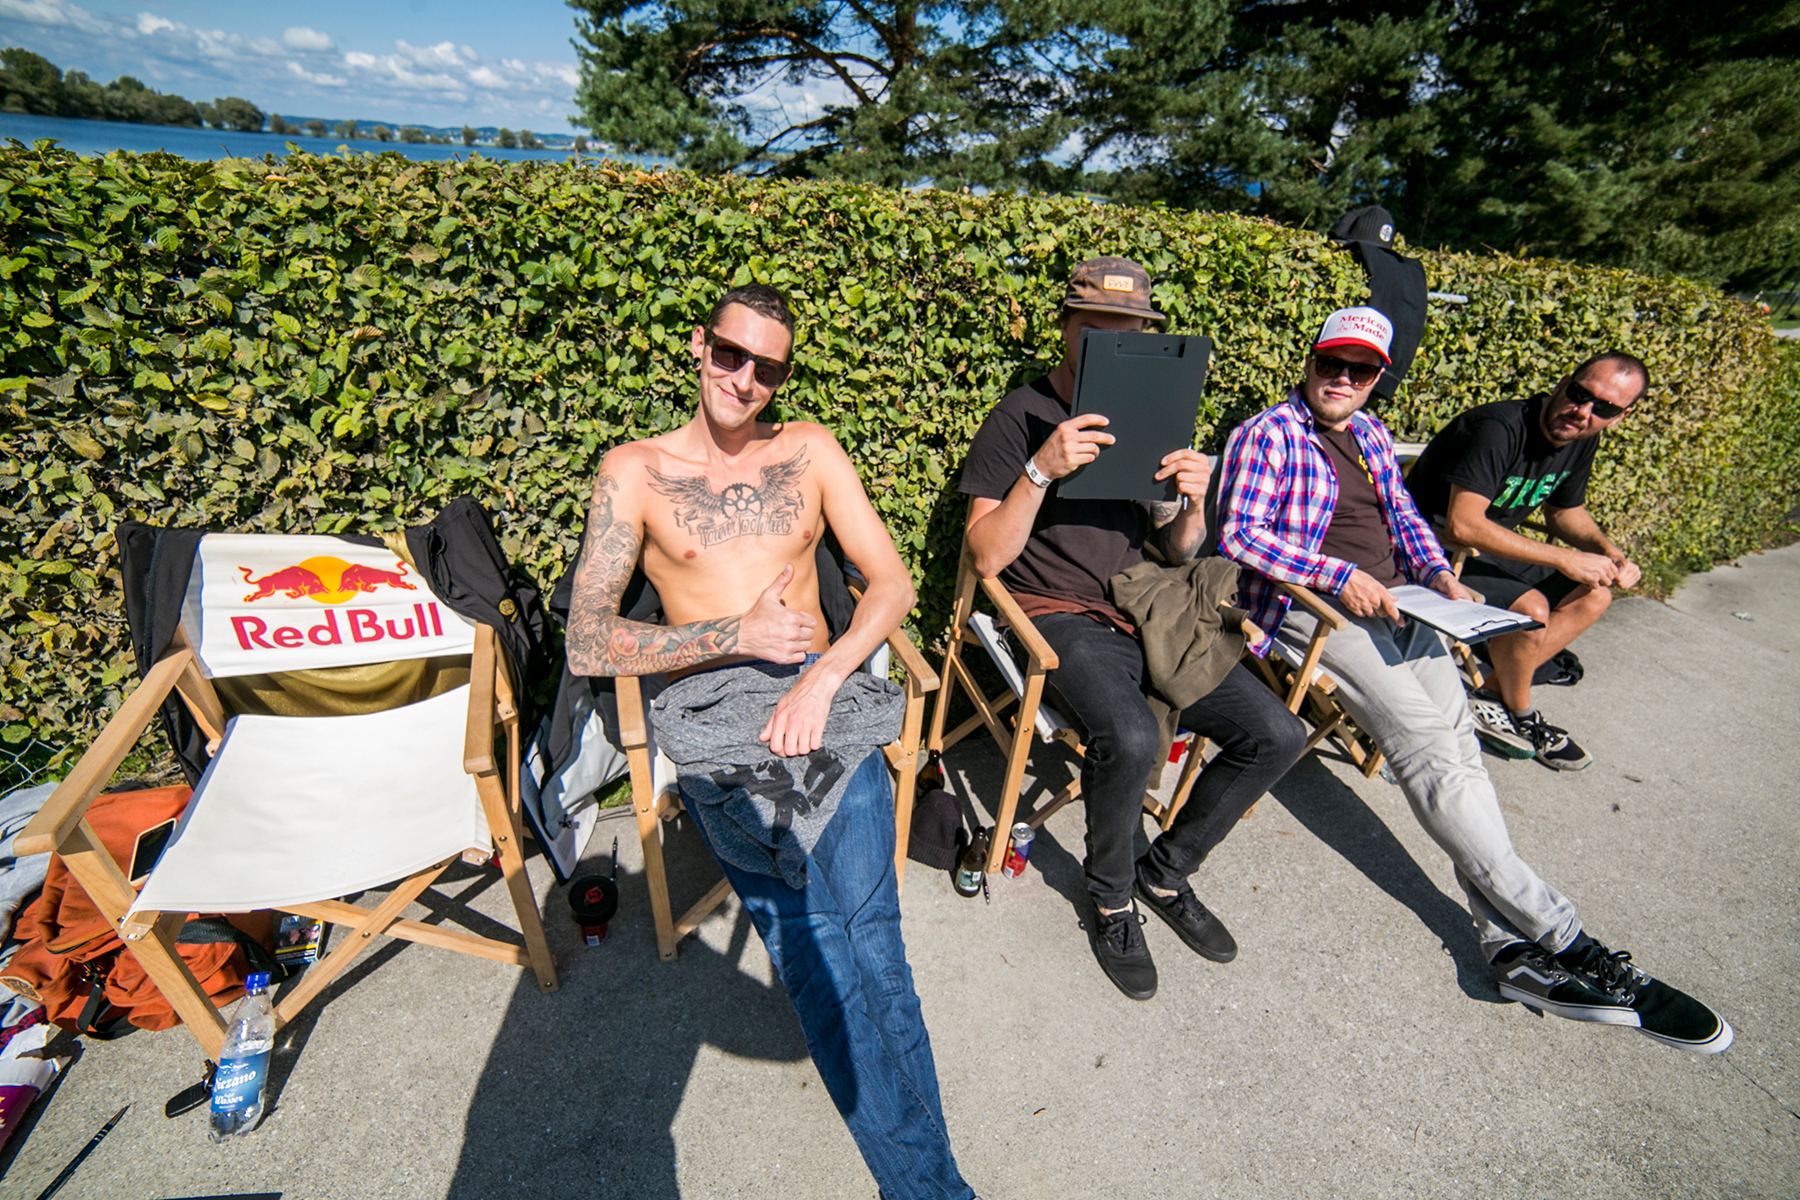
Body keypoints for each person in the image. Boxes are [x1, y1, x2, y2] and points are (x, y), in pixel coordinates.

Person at [1215, 306, 1731, 1054]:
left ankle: (1504, 944)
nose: (1343, 379)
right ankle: (1563, 934)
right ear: (1311, 360)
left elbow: (1407, 517)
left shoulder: (1369, 434)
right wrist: (1342, 576)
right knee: (1426, 747)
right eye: (1333, 363)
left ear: (1376, 380)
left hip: (1406, 601)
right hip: (1316, 608)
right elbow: (1240, 533)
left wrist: (1439, 579)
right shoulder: (1269, 433)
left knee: (1460, 745)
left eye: (1360, 371)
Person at [564, 283, 976, 1199]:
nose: (745, 380)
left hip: (824, 707)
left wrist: (828, 677)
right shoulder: (633, 471)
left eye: (767, 368)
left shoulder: (811, 452)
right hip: (718, 729)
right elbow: (587, 638)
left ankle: (930, 1188)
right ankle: (936, 1191)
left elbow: (892, 585)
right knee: (821, 951)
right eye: (730, 355)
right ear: (699, 347)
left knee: (878, 948)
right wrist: (731, 637)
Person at [958, 256, 1308, 1002]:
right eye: (1099, 331)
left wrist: (1191, 503)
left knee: (1278, 734)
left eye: (1131, 332)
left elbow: (1181, 551)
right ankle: (1112, 896)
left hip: (1143, 604)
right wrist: (1041, 470)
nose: (1115, 344)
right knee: (1136, 738)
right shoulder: (1018, 416)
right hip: (1052, 611)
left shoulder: (1148, 419)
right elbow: (985, 555)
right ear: (1067, 331)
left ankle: (1166, 870)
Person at [1405, 352, 1649, 769]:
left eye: (1604, 408)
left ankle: (1490, 696)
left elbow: (1564, 511)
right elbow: (1462, 526)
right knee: (1532, 610)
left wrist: (1605, 551)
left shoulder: (1582, 437)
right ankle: (1522, 715)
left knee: (1594, 596)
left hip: (1485, 551)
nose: (1584, 411)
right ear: (1562, 383)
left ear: (1620, 416)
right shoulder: (1497, 429)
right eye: (1579, 393)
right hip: (1429, 555)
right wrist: (1565, 558)